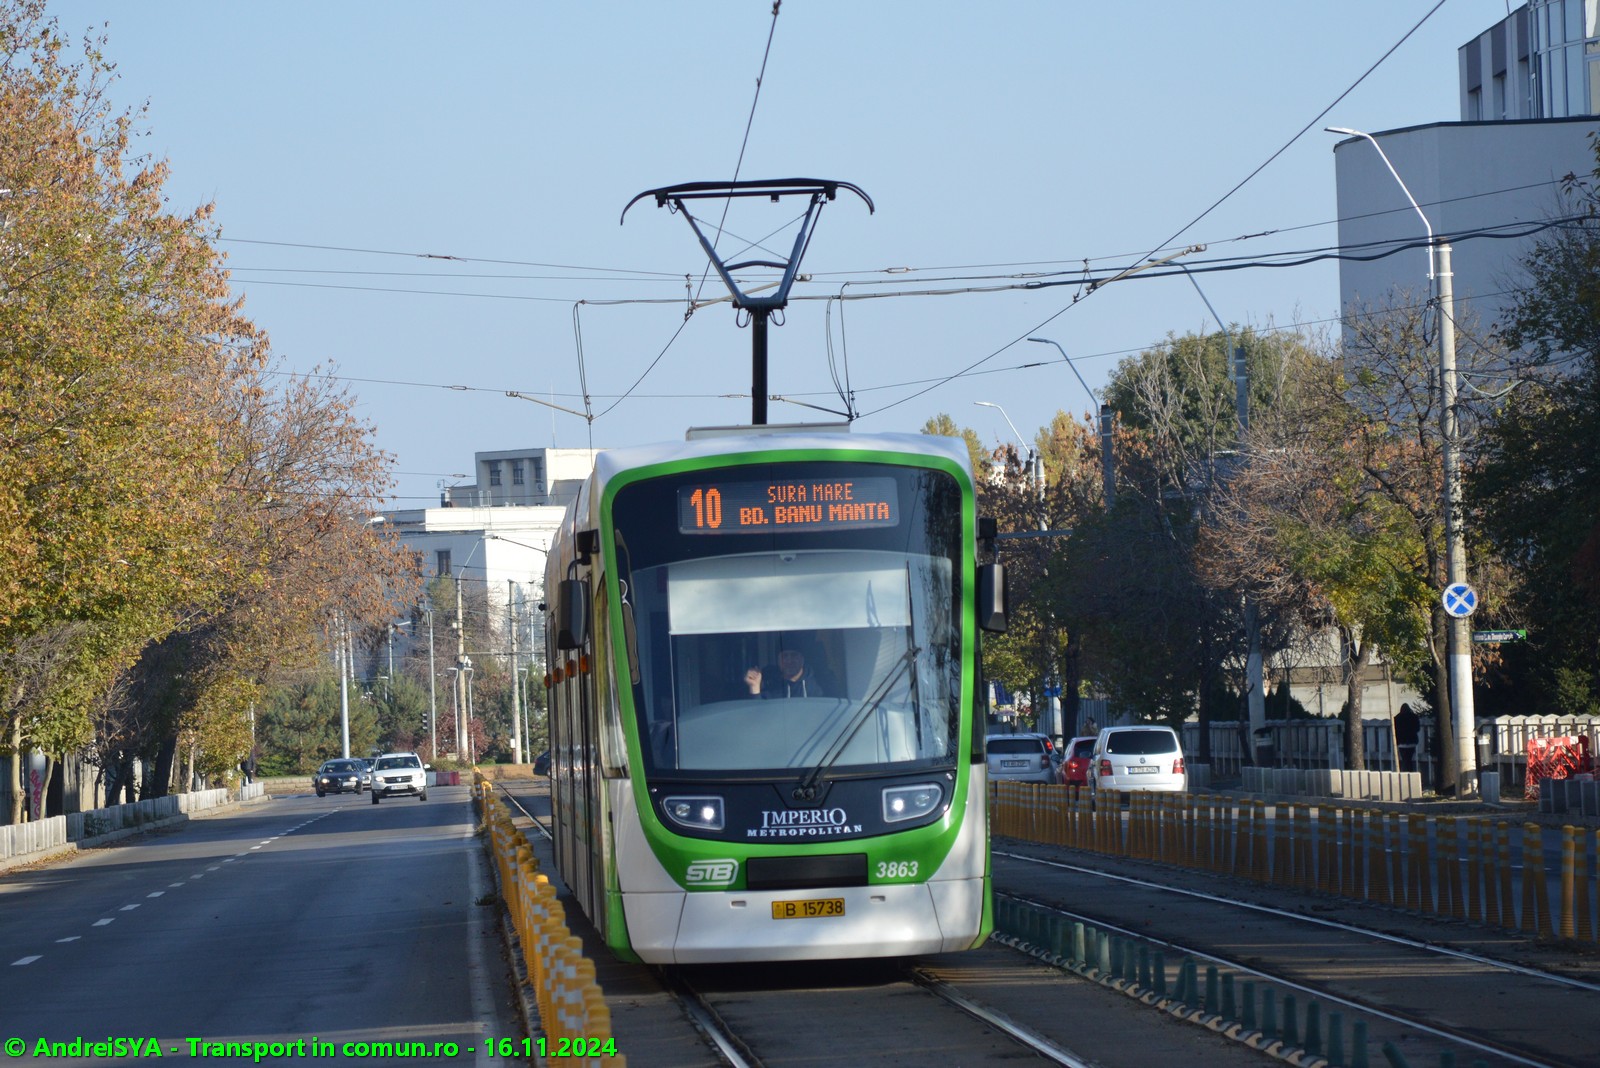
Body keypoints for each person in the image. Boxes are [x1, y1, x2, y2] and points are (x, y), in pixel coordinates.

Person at [746, 648, 830, 699]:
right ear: (778, 660)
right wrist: (754, 686)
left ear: (802, 659)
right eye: (784, 656)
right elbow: (759, 714)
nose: (789, 661)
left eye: (794, 655)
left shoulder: (820, 683)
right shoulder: (769, 683)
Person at [1394, 702, 1420, 772]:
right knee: (1409, 758)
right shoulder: (1414, 717)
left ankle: (1405, 771)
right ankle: (1409, 770)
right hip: (1412, 742)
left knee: (1405, 759)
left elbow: (1395, 730)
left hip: (1401, 743)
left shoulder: (1397, 718)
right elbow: (1417, 728)